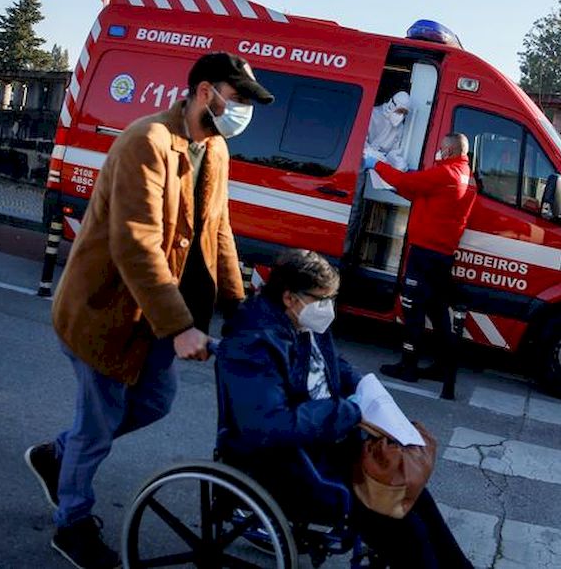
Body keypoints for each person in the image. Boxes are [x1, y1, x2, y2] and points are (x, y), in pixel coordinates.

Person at [25, 52, 273, 569]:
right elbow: (137, 244)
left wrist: (240, 308)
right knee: (100, 422)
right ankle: (71, 525)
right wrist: (182, 327)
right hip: (105, 311)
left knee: (154, 402)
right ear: (206, 92)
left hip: (157, 314)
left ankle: (58, 454)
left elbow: (217, 232)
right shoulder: (147, 141)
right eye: (240, 98)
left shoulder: (216, 149)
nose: (244, 110)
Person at [215, 249, 471, 569]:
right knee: (404, 527)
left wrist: (364, 389)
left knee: (413, 491)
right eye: (322, 300)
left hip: (327, 442)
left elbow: (331, 365)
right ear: (290, 298)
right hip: (291, 462)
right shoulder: (253, 343)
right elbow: (268, 424)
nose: (328, 308)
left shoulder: (301, 322)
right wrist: (346, 413)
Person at [363, 133, 477, 387]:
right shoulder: (467, 178)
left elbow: (409, 182)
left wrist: (377, 165)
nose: (437, 152)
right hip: (443, 255)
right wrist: (400, 184)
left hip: (425, 253)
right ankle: (442, 367)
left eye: (440, 149)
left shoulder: (445, 174)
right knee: (438, 312)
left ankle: (408, 366)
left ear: (448, 151)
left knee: (413, 309)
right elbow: (423, 195)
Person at [365, 91, 411, 168]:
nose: (401, 116)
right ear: (392, 105)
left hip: (379, 165)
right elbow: (359, 140)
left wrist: (398, 163)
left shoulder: (400, 128)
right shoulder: (372, 114)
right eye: (400, 111)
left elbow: (393, 152)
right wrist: (371, 153)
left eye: (404, 113)